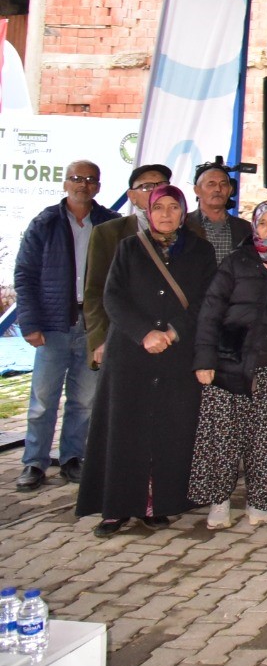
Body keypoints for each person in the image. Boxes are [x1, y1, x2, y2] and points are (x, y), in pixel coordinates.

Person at [77, 185, 214, 535]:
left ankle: (160, 504)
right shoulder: (129, 248)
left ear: (184, 212)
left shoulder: (201, 251)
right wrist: (144, 333)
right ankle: (116, 507)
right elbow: (113, 297)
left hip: (176, 354)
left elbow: (205, 301)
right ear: (148, 212)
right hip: (130, 354)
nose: (166, 215)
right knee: (124, 430)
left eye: (173, 207)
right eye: (159, 208)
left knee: (170, 430)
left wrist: (172, 332)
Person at [189, 200, 267, 528]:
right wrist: (204, 359)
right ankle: (219, 501)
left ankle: (262, 501)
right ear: (254, 227)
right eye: (263, 224)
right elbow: (210, 312)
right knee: (224, 438)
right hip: (231, 363)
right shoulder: (236, 261)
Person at [14, 161, 118, 492]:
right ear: (64, 183)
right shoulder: (44, 223)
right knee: (42, 399)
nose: (83, 184)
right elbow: (24, 275)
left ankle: (73, 458)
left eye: (90, 179)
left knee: (84, 399)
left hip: (94, 325)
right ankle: (34, 462)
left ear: (98, 187)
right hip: (53, 323)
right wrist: (30, 323)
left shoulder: (110, 225)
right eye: (76, 178)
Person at [84, 163, 172, 373]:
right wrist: (100, 339)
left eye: (162, 184)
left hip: (172, 338)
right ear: (132, 196)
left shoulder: (191, 232)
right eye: (147, 187)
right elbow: (96, 291)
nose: (155, 191)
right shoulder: (109, 233)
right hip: (122, 336)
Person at [188, 162, 252, 262]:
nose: (218, 189)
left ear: (230, 190)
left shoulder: (247, 229)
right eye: (211, 184)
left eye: (223, 184)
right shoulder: (183, 225)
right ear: (197, 190)